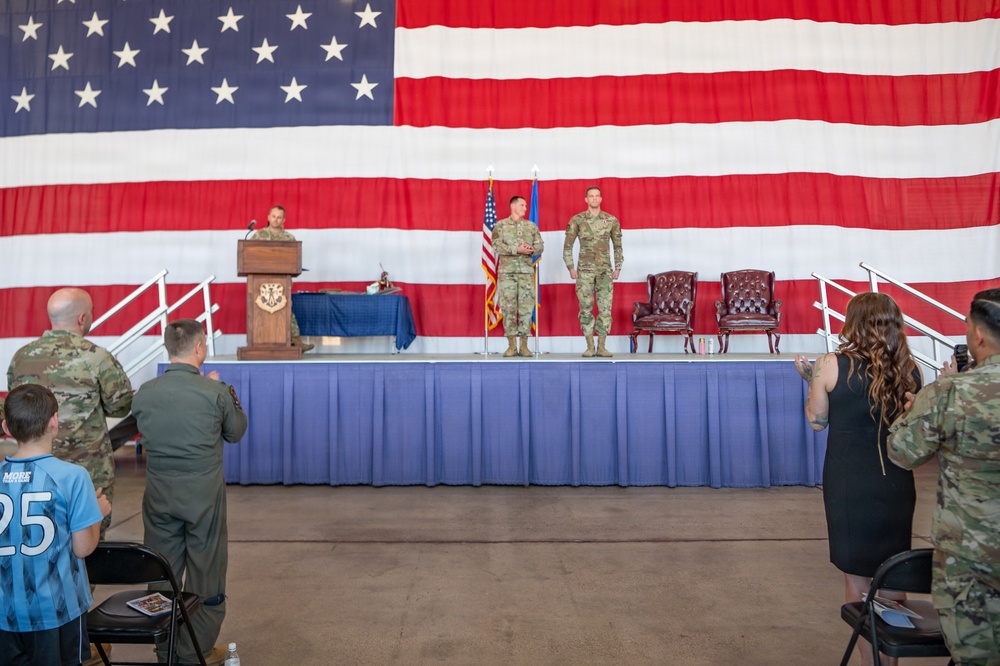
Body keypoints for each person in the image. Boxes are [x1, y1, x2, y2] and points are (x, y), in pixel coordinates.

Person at [794, 292, 921, 666]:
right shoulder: (910, 368)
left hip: (849, 482)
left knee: (859, 579)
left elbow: (817, 422)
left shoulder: (829, 364)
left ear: (853, 322)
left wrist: (811, 382)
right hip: (897, 481)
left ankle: (872, 664)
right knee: (895, 572)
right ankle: (892, 658)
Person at [888, 288, 1000, 666]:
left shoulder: (952, 392)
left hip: (974, 560)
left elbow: (903, 452)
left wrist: (916, 408)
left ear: (978, 336)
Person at [131, 319, 248, 665]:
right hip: (203, 501)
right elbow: (236, 432)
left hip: (159, 497)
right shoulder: (215, 392)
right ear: (200, 348)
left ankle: (164, 649)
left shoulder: (145, 394)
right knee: (206, 574)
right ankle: (192, 651)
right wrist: (219, 389)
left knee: (161, 571)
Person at [7, 287, 132, 538]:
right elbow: (121, 405)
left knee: (40, 535)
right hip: (89, 470)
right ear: (82, 318)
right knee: (89, 538)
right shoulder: (97, 357)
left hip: (34, 470)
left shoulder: (21, 357)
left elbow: (17, 407)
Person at [0, 384, 111, 666]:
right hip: (57, 612)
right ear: (54, 422)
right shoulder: (73, 477)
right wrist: (96, 513)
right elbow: (84, 547)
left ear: (6, 428)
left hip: (4, 614)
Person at [562, 186, 623, 357]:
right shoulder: (578, 220)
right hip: (585, 272)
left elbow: (618, 246)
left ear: (601, 199)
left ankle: (602, 346)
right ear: (586, 199)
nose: (594, 199)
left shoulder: (611, 220)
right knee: (586, 308)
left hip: (605, 272)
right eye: (591, 196)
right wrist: (571, 267)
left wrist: (618, 267)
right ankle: (590, 346)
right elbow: (568, 246)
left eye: (597, 196)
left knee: (605, 309)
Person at [250, 204, 314, 352]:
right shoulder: (258, 236)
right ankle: (259, 342)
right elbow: (251, 256)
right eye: (273, 216)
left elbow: (294, 260)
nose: (276, 220)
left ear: (284, 219)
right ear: (268, 217)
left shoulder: (289, 238)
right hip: (260, 284)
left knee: (286, 309)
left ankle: (296, 341)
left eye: (279, 217)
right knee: (260, 310)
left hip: (282, 282)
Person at [492, 195, 545, 357]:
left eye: (526, 205)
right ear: (513, 206)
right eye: (522, 205)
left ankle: (524, 345)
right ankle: (511, 346)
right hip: (507, 274)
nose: (525, 208)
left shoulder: (531, 226)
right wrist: (517, 249)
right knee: (508, 308)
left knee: (526, 309)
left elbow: (540, 246)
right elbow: (496, 245)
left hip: (526, 274)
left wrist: (530, 249)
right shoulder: (500, 226)